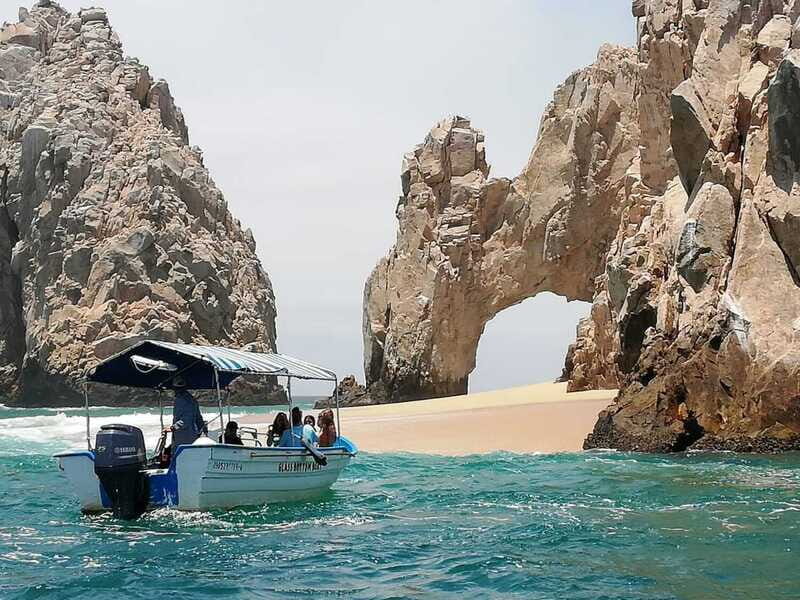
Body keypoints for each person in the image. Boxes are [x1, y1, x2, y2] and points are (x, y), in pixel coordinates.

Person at [165, 376, 206, 447]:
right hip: (192, 436)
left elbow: (186, 420)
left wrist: (173, 428)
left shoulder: (180, 400)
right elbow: (199, 418)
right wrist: (203, 431)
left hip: (184, 438)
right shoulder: (192, 399)